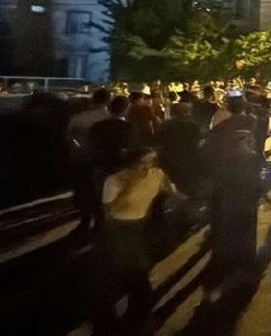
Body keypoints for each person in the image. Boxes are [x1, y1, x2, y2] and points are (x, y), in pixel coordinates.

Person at [95, 148, 176, 335]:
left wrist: (167, 186)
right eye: (142, 163)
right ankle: (128, 322)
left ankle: (132, 316)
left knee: (136, 274)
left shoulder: (156, 174)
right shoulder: (115, 181)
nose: (147, 167)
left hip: (141, 227)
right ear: (130, 163)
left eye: (151, 162)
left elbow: (171, 191)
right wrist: (130, 188)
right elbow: (109, 212)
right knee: (133, 278)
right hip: (120, 229)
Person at [200, 91, 261, 277]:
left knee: (228, 219)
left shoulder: (220, 129)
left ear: (228, 107)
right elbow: (258, 149)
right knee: (248, 219)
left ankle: (228, 259)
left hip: (227, 179)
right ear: (243, 106)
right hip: (249, 178)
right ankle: (247, 257)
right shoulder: (254, 123)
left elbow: (208, 153)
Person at [68, 88, 111, 235]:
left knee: (83, 190)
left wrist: (79, 147)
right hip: (103, 160)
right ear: (108, 100)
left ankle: (85, 220)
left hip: (81, 158)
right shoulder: (110, 118)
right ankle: (100, 221)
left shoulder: (79, 118)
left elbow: (69, 138)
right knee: (101, 192)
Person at [89, 96, 137, 187]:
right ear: (126, 109)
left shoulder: (97, 126)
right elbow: (132, 146)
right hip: (121, 165)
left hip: (101, 164)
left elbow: (92, 145)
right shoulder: (129, 127)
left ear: (109, 109)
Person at [158, 103, 201, 195]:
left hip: (169, 157)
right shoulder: (193, 126)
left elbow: (160, 140)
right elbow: (195, 144)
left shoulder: (165, 125)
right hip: (187, 158)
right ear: (187, 113)